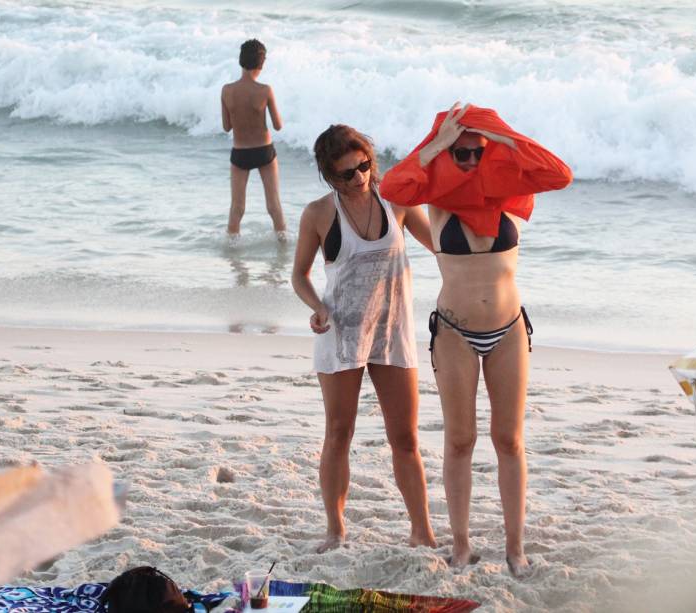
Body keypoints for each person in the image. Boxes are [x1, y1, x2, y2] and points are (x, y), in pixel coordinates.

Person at [380, 103, 572, 576]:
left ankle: (515, 547)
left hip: (508, 331)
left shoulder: (509, 191)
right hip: (454, 333)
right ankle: (461, 545)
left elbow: (560, 174)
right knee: (461, 441)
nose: (468, 162)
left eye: (475, 153)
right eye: (460, 154)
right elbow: (391, 186)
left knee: (509, 440)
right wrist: (438, 144)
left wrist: (502, 139)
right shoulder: (436, 196)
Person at [291, 124, 437, 553]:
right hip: (341, 333)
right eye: (345, 174)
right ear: (328, 176)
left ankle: (422, 531)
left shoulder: (397, 200)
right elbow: (299, 275)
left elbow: (441, 245)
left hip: (392, 333)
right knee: (339, 432)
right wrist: (316, 307)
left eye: (364, 166)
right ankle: (336, 529)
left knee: (405, 438)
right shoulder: (319, 214)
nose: (358, 178)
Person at [221, 39, 287, 237]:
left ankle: (232, 253)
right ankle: (282, 249)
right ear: (262, 63)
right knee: (274, 205)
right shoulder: (265, 90)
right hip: (264, 151)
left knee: (237, 208)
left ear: (241, 61)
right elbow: (277, 125)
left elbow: (226, 127)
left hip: (240, 153)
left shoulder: (227, 90)